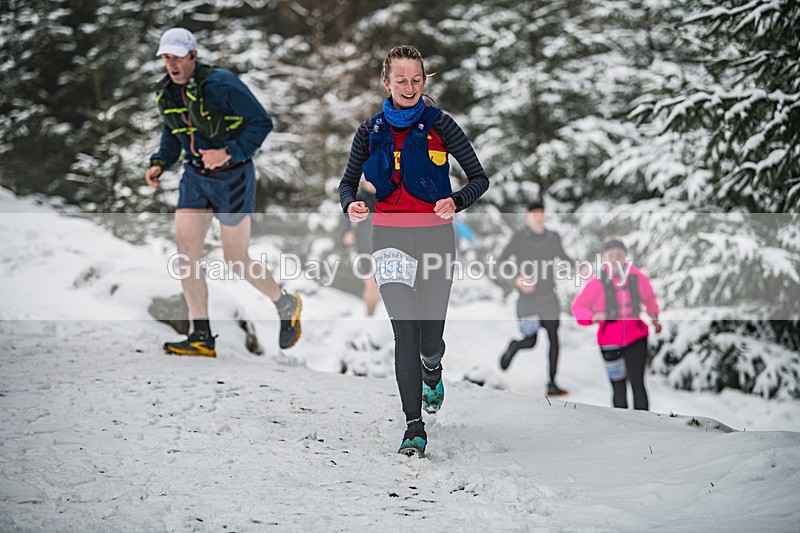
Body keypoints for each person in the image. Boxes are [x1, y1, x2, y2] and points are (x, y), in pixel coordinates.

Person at [338, 45, 489, 456]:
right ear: (386, 82)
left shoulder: (441, 124)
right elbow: (347, 183)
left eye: (416, 79)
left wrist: (456, 201)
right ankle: (413, 427)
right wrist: (350, 203)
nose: (409, 87)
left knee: (429, 338)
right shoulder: (370, 131)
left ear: (425, 81)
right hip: (389, 237)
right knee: (405, 328)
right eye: (401, 80)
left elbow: (479, 178)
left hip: (436, 239)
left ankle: (432, 368)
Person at [144, 27, 301, 357]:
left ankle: (284, 303)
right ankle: (201, 336)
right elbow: (173, 134)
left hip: (233, 177)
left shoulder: (221, 83)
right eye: (167, 58)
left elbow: (262, 123)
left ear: (194, 56)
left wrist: (228, 152)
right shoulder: (167, 93)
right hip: (195, 178)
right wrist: (160, 162)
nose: (172, 64)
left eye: (178, 57)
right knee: (186, 257)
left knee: (236, 259)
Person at [571, 237, 662, 410]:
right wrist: (592, 316)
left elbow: (650, 298)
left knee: (638, 383)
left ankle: (646, 423)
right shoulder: (597, 282)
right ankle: (621, 423)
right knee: (618, 387)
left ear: (625, 257)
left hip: (636, 337)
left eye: (619, 255)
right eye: (610, 255)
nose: (615, 259)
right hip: (609, 341)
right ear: (604, 258)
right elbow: (578, 307)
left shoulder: (637, 276)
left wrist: (654, 316)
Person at [496, 198, 573, 396]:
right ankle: (514, 346)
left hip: (548, 297)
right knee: (530, 341)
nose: (538, 217)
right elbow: (501, 262)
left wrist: (577, 266)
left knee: (554, 338)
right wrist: (517, 278)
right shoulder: (519, 238)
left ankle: (552, 383)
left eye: (541, 213)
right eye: (534, 214)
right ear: (527, 216)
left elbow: (563, 256)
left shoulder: (553, 237)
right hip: (527, 299)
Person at [340, 179, 381, 316]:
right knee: (371, 283)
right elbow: (345, 215)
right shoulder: (358, 198)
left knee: (381, 284)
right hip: (364, 245)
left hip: (384, 244)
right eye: (370, 180)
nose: (374, 183)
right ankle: (370, 315)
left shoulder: (386, 196)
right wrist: (347, 233)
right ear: (364, 182)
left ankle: (376, 314)